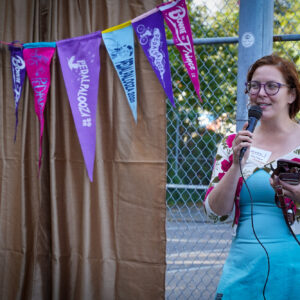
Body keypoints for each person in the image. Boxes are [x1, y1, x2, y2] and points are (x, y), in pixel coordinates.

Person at [204, 54, 300, 300]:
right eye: (254, 86)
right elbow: (216, 213)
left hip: (294, 270)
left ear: (291, 94)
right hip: (243, 269)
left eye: (272, 86)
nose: (261, 93)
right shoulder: (233, 143)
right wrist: (236, 164)